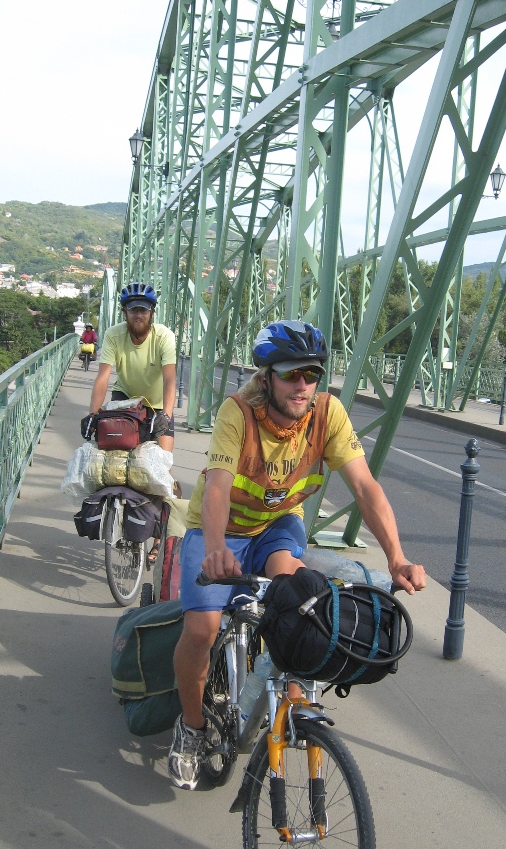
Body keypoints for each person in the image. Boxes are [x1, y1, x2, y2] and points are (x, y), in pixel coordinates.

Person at [168, 319, 426, 790]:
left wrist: (397, 557)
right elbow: (218, 487)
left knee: (299, 602)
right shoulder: (238, 413)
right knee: (202, 630)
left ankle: (291, 702)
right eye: (291, 374)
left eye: (312, 374)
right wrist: (216, 549)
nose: (303, 385)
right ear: (267, 377)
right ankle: (191, 726)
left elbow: (365, 487)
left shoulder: (327, 414)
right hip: (220, 528)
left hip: (276, 525)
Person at [80, 282, 176, 453]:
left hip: (158, 405)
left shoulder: (164, 337)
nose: (138, 315)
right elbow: (103, 377)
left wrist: (166, 415)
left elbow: (169, 379)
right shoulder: (113, 335)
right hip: (125, 398)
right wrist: (92, 414)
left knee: (164, 460)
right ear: (124, 312)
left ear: (152, 313)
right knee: (115, 454)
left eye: (143, 310)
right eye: (133, 310)